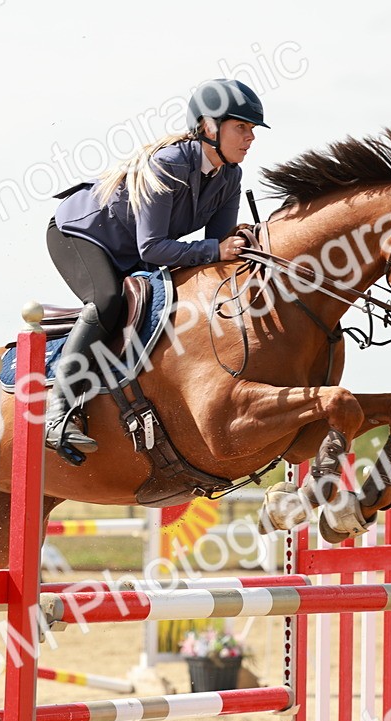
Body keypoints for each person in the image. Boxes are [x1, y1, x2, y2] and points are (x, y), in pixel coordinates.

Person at [44, 78, 269, 459]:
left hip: (136, 251)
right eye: (241, 127)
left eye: (251, 130)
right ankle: (58, 412)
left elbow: (217, 250)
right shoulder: (170, 164)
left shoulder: (230, 177)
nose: (250, 138)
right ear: (209, 127)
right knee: (108, 301)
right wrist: (218, 248)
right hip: (82, 236)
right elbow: (155, 246)